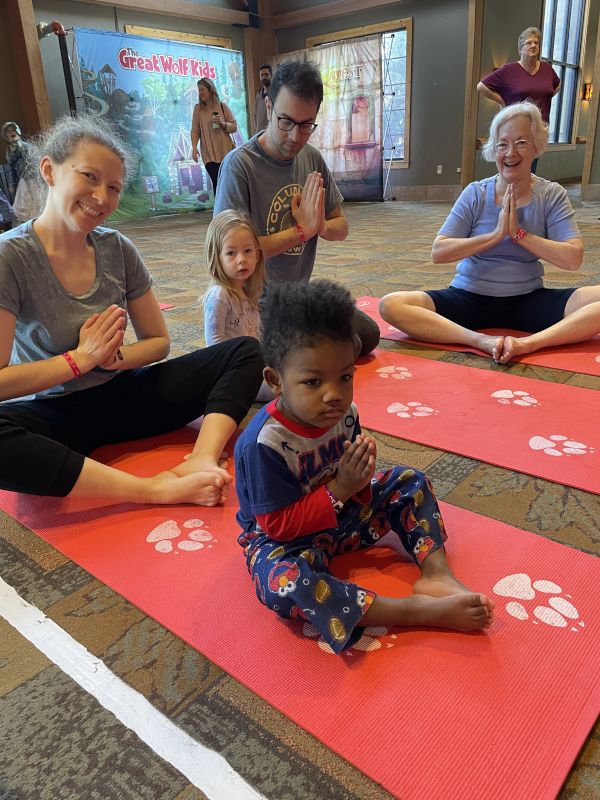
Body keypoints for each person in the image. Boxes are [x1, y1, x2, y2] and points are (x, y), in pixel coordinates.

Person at [0, 115, 263, 505]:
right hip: (54, 412)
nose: (102, 198)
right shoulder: (10, 255)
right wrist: (79, 360)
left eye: (114, 188)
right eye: (89, 176)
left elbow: (158, 342)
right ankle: (154, 490)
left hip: (124, 395)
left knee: (245, 352)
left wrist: (113, 359)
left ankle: (202, 459)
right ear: (49, 170)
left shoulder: (118, 248)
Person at [234, 279, 494, 654]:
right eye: (312, 382)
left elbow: (357, 489)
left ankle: (436, 575)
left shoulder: (344, 414)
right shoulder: (265, 443)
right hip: (284, 543)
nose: (333, 394)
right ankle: (410, 611)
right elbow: (277, 526)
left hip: (338, 522)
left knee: (410, 480)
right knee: (287, 586)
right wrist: (340, 488)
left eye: (345, 376)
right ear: (276, 381)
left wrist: (359, 481)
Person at [379, 102, 597, 365]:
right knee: (390, 305)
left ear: (537, 147)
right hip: (469, 297)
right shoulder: (475, 193)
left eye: (521, 143)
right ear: (494, 150)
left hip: (528, 300)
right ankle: (478, 340)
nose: (510, 152)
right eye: (502, 144)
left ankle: (528, 344)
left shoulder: (551, 194)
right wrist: (494, 236)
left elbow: (573, 259)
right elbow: (439, 252)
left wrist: (519, 234)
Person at [214, 59, 380, 356]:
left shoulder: (311, 158)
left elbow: (340, 226)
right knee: (333, 350)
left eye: (306, 125)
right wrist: (302, 230)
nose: (295, 136)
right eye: (286, 122)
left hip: (296, 296)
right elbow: (234, 254)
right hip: (254, 306)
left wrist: (320, 226)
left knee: (367, 335)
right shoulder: (239, 166)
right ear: (268, 107)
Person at [202, 209, 272, 401]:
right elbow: (214, 346)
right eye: (231, 253)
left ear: (257, 255)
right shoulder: (219, 295)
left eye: (247, 251)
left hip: (253, 366)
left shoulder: (248, 293)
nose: (241, 259)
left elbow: (255, 336)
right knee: (286, 387)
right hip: (234, 374)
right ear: (217, 257)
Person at [477, 26, 560, 172]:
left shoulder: (547, 69)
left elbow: (557, 85)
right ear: (520, 49)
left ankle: (525, 194)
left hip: (539, 128)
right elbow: (482, 86)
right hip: (516, 129)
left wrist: (546, 96)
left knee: (530, 170)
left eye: (536, 42)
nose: (533, 45)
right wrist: (503, 101)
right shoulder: (508, 70)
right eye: (529, 42)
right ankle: (510, 194)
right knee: (515, 168)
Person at [190, 77, 237, 195]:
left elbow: (234, 126)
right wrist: (194, 148)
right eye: (199, 90)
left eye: (202, 89)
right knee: (217, 181)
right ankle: (220, 212)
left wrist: (223, 123)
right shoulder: (198, 109)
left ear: (210, 89)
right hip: (209, 155)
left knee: (225, 184)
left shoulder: (223, 106)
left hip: (225, 152)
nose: (200, 93)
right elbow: (195, 131)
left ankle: (224, 211)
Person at [253, 64, 271, 135]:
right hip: (258, 134)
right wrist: (255, 131)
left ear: (271, 75)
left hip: (270, 135)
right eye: (261, 75)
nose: (264, 77)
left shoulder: (275, 93)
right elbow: (255, 115)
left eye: (266, 74)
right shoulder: (258, 94)